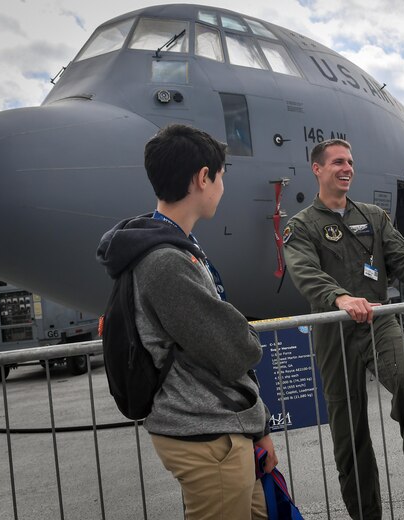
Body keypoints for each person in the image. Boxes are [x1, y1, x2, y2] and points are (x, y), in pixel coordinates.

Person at [96, 124, 277, 520]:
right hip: (206, 435)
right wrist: (243, 329)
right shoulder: (166, 261)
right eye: (222, 176)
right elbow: (236, 348)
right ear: (202, 177)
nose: (223, 188)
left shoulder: (174, 247)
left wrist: (258, 425)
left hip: (221, 422)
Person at [283, 139, 404, 520]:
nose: (346, 168)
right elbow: (304, 271)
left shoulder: (373, 217)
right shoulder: (301, 226)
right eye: (337, 162)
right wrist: (338, 297)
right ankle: (366, 514)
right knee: (349, 434)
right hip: (334, 329)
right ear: (317, 169)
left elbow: (402, 257)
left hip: (377, 323)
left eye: (350, 161)